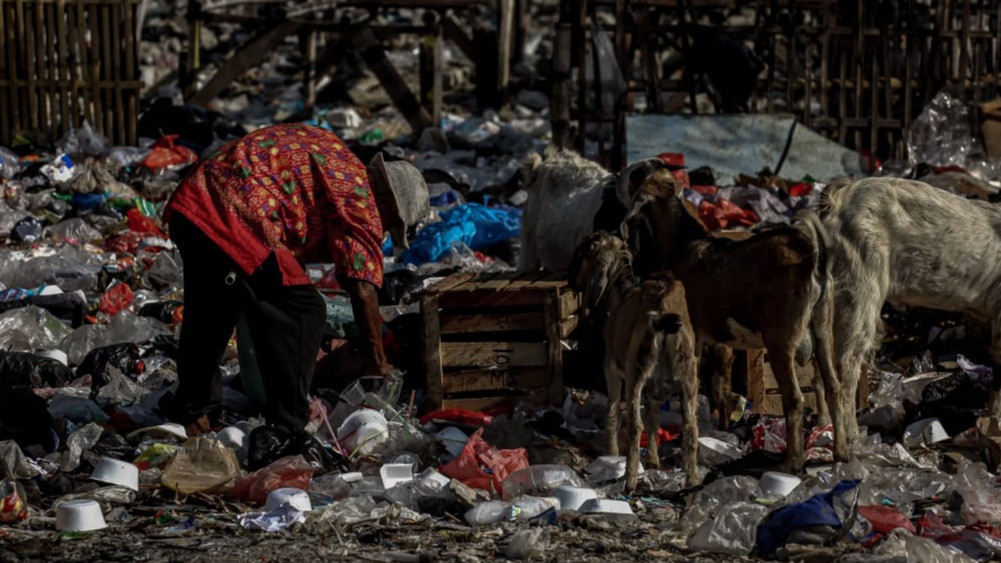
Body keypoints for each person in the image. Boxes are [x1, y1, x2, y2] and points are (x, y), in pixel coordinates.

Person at [162, 123, 428, 466]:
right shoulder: (360, 195)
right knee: (303, 310)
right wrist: (377, 360)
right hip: (238, 214)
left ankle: (195, 414)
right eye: (391, 224)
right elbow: (362, 287)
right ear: (388, 201)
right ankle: (287, 427)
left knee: (214, 307)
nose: (385, 232)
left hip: (194, 202)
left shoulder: (332, 151)